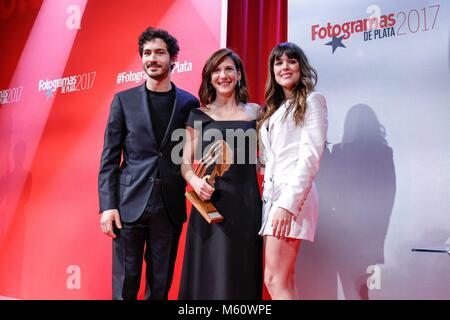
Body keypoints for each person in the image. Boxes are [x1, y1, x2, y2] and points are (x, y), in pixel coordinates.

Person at [98, 27, 199, 300]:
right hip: (129, 203)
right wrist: (108, 206)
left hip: (169, 205)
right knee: (125, 283)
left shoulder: (189, 103)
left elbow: (190, 154)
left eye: (159, 53)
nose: (152, 58)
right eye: (147, 53)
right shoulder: (123, 100)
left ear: (172, 58)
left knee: (160, 283)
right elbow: (109, 158)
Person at [178, 48, 263, 299]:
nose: (223, 75)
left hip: (247, 206)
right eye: (216, 70)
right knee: (209, 277)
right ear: (209, 77)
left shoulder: (256, 112)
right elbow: (183, 162)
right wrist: (194, 180)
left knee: (243, 274)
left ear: (239, 75)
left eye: (229, 69)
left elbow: (269, 156)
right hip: (210, 205)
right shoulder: (198, 114)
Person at [257, 42, 328, 299]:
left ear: (301, 66)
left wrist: (287, 204)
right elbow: (271, 161)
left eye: (291, 61)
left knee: (274, 279)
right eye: (278, 62)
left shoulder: (312, 101)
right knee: (284, 280)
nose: (284, 67)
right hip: (273, 201)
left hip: (291, 199)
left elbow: (310, 158)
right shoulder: (273, 111)